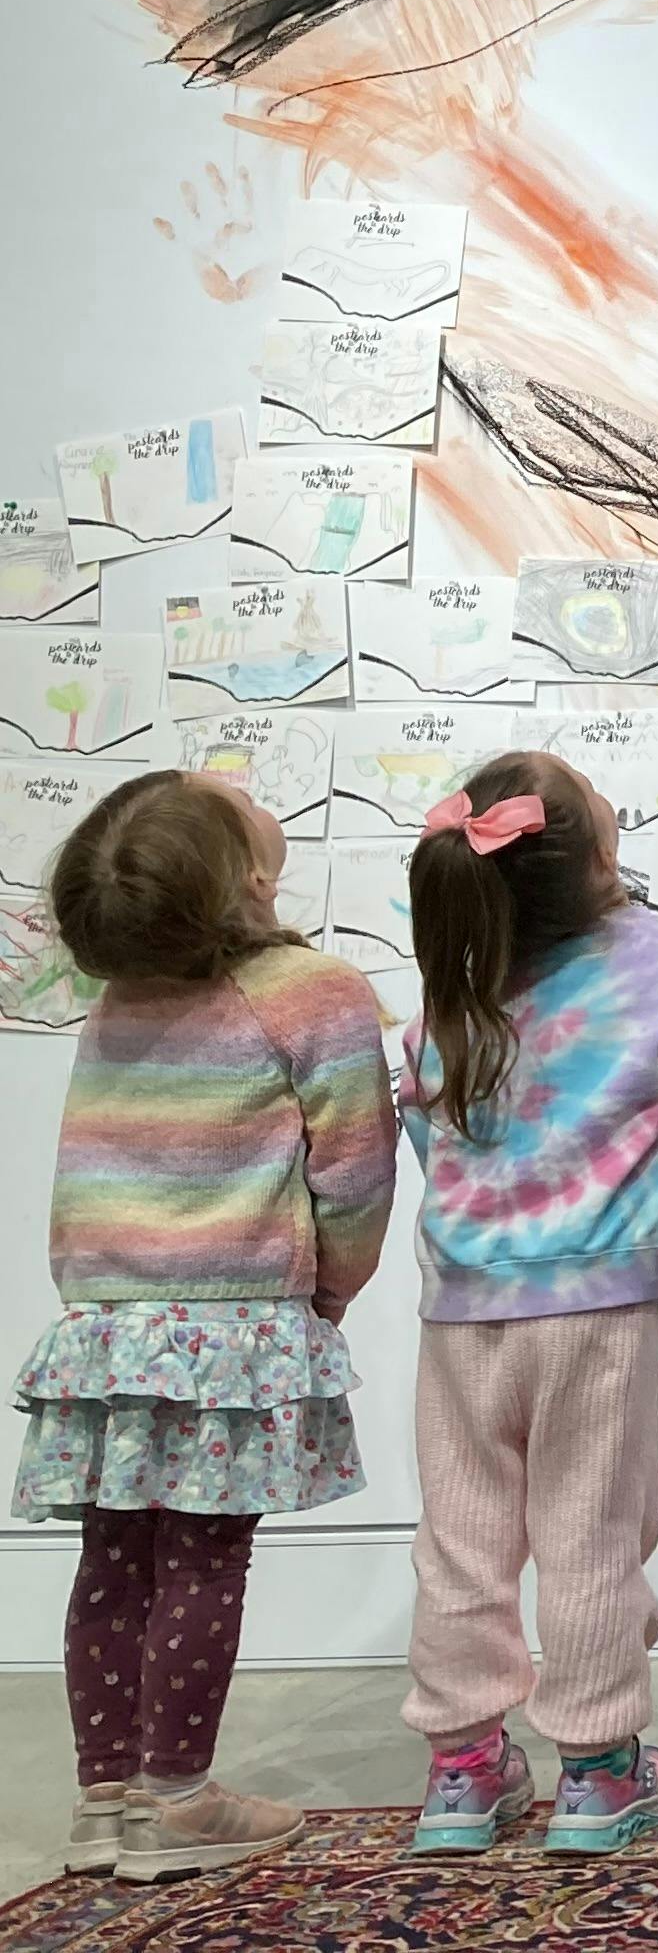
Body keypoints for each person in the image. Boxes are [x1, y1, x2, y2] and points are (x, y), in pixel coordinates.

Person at [15, 771, 394, 1884]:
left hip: (107, 1328)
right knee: (202, 1563)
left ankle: (105, 1805)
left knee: (112, 1563)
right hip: (231, 1330)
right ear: (249, 878)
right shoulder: (311, 989)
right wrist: (331, 1292)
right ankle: (178, 1798)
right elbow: (358, 1171)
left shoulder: (120, 996)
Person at [396, 753, 658, 1860]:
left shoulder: (454, 970)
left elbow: (429, 1134)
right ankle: (596, 1774)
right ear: (598, 859)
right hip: (597, 1301)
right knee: (590, 1533)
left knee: (462, 1542)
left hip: (463, 1308)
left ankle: (462, 1776)